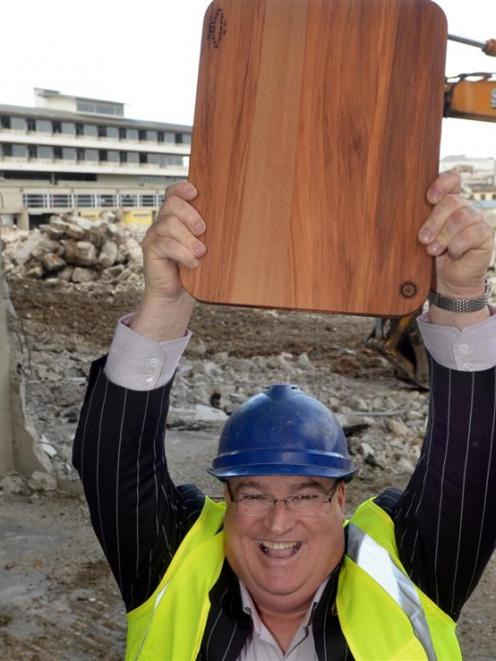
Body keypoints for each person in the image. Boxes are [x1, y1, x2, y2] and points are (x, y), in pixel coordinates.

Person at [74, 170, 496, 660]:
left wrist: (460, 298)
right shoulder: (169, 563)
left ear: (342, 501)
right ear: (226, 499)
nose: (277, 524)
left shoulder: (410, 567)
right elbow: (111, 462)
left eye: (304, 494)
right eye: (254, 494)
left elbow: (474, 458)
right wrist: (165, 305)